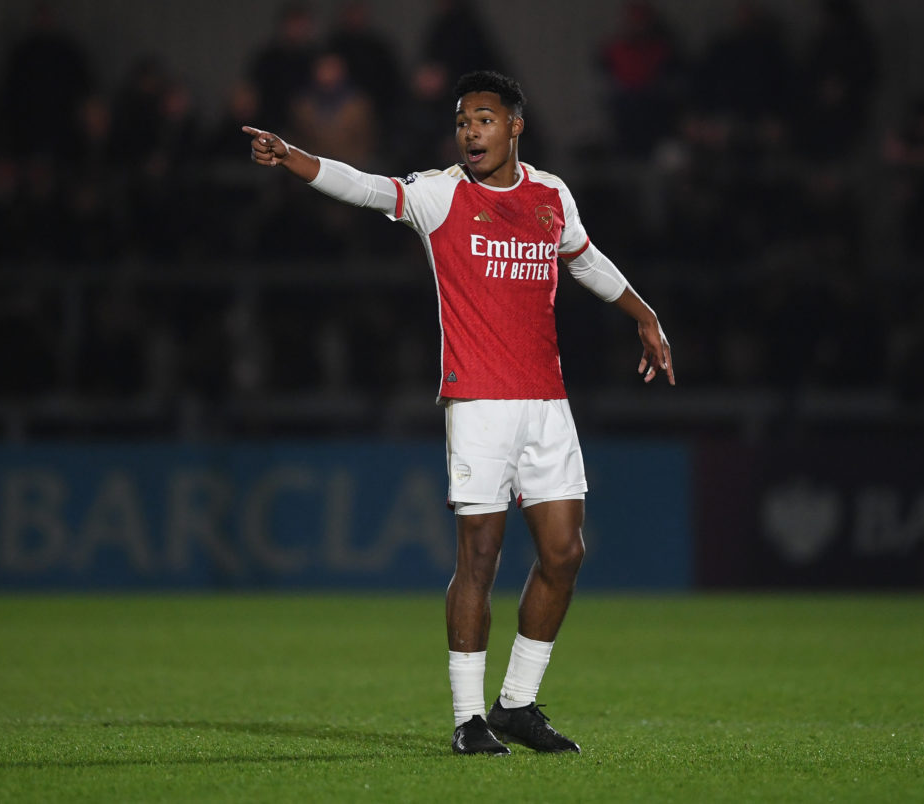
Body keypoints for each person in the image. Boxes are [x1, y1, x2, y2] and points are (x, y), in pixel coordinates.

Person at [243, 70, 674, 756]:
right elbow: (366, 187)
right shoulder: (441, 195)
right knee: (479, 556)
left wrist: (645, 316)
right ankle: (468, 717)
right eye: (463, 121)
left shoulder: (550, 194)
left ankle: (518, 705)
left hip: (547, 401)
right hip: (478, 401)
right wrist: (294, 157)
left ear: (514, 126)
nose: (470, 131)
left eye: (483, 119)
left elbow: (584, 261)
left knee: (564, 553)